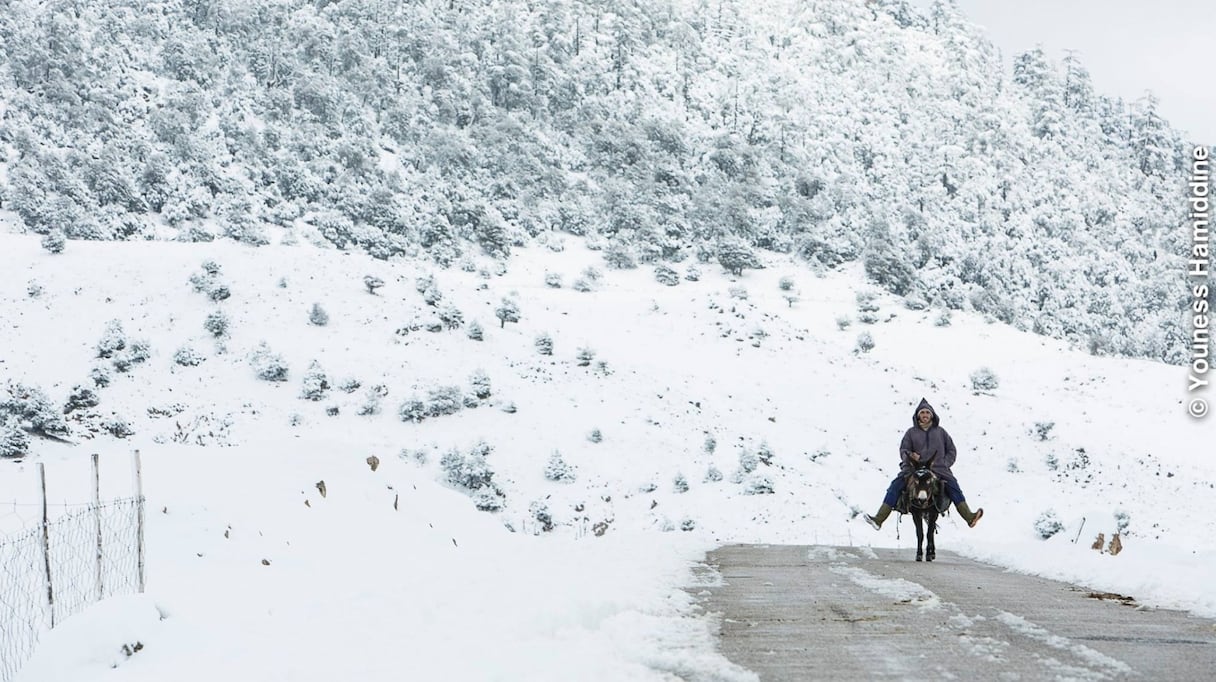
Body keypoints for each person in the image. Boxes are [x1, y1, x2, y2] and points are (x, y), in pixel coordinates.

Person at [864, 398, 983, 529]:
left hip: (939, 469)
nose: (925, 415)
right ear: (918, 415)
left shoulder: (941, 432)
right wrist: (910, 455)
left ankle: (969, 517)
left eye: (927, 412)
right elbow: (903, 449)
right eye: (922, 413)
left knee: (954, 487)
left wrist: (944, 463)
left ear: (932, 415)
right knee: (895, 485)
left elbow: (952, 450)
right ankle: (879, 519)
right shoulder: (911, 432)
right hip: (914, 469)